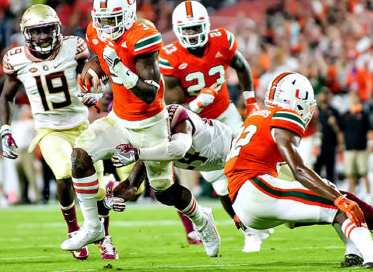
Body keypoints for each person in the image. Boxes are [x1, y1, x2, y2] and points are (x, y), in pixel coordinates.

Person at [62, 0, 220, 257]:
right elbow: (99, 60)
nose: (106, 26)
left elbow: (149, 93)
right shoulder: (95, 31)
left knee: (164, 191)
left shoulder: (143, 38)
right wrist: (92, 71)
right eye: (102, 20)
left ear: (128, 14)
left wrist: (120, 70)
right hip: (118, 119)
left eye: (112, 20)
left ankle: (202, 220)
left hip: (150, 122)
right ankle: (92, 226)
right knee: (79, 156)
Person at [225, 72, 373, 268]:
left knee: (328, 192)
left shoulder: (255, 118)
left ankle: (355, 251)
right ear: (295, 100)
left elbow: (282, 171)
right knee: (339, 204)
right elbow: (298, 170)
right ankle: (372, 253)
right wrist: (339, 199)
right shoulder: (284, 116)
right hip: (257, 190)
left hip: (242, 205)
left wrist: (334, 193)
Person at [0, 4, 115, 260]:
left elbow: (99, 73)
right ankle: (74, 231)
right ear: (27, 34)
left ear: (56, 29)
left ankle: (104, 236)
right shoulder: (16, 59)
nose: (42, 37)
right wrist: (5, 129)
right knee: (64, 171)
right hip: (49, 130)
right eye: (36, 32)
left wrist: (95, 91)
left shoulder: (74, 47)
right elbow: (6, 96)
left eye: (47, 30)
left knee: (98, 191)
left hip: (82, 127)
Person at [158, 0, 263, 252]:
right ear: (178, 30)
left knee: (249, 163)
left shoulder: (222, 40)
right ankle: (245, 228)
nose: (193, 34)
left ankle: (265, 212)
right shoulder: (170, 57)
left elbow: (241, 66)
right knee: (221, 185)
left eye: (196, 28)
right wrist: (198, 104)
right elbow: (175, 110)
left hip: (225, 113)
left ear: (206, 25)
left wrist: (251, 103)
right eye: (188, 29)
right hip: (197, 125)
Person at [111, 103, 274, 252]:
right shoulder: (147, 138)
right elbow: (130, 187)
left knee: (258, 193)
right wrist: (111, 199)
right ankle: (203, 222)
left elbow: (179, 148)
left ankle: (265, 219)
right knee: (163, 192)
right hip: (204, 162)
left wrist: (139, 153)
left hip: (229, 149)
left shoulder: (175, 115)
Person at [340, 91, 371, 196]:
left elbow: (369, 130)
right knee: (350, 174)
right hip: (349, 148)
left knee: (364, 173)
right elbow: (341, 131)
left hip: (362, 148)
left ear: (358, 98)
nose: (352, 99)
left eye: (354, 97)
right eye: (351, 97)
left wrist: (370, 144)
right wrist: (341, 144)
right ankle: (353, 195)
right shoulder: (346, 114)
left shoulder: (364, 113)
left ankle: (368, 195)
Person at [10, 105, 39, 204]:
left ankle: (36, 197)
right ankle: (22, 197)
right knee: (20, 175)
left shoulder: (31, 122)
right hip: (17, 150)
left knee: (30, 174)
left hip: (27, 151)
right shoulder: (15, 123)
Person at [313, 88, 341, 184]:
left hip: (330, 144)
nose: (324, 96)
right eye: (322, 94)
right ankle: (315, 192)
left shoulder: (334, 111)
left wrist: (334, 124)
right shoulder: (315, 111)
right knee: (315, 169)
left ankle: (332, 193)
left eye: (326, 94)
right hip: (317, 144)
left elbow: (339, 131)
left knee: (330, 171)